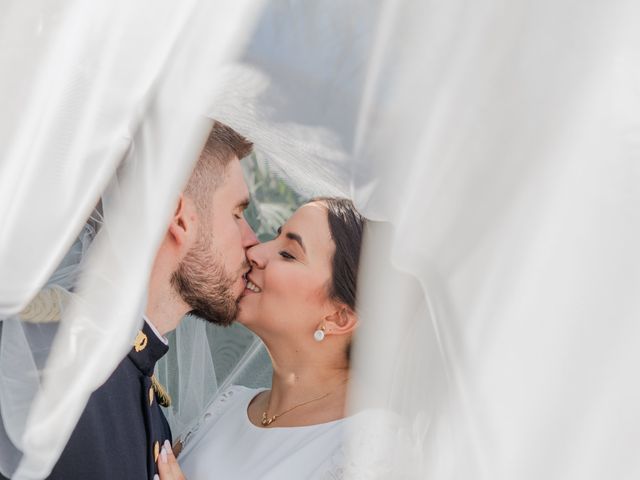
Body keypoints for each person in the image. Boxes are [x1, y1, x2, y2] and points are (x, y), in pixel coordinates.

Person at [46, 121, 259, 480]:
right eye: (237, 214)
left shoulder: (154, 417)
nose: (252, 240)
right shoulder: (49, 365)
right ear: (180, 217)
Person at [156, 197, 366, 480]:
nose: (256, 251)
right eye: (275, 237)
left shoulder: (367, 449)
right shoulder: (226, 407)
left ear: (339, 318)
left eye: (288, 254)